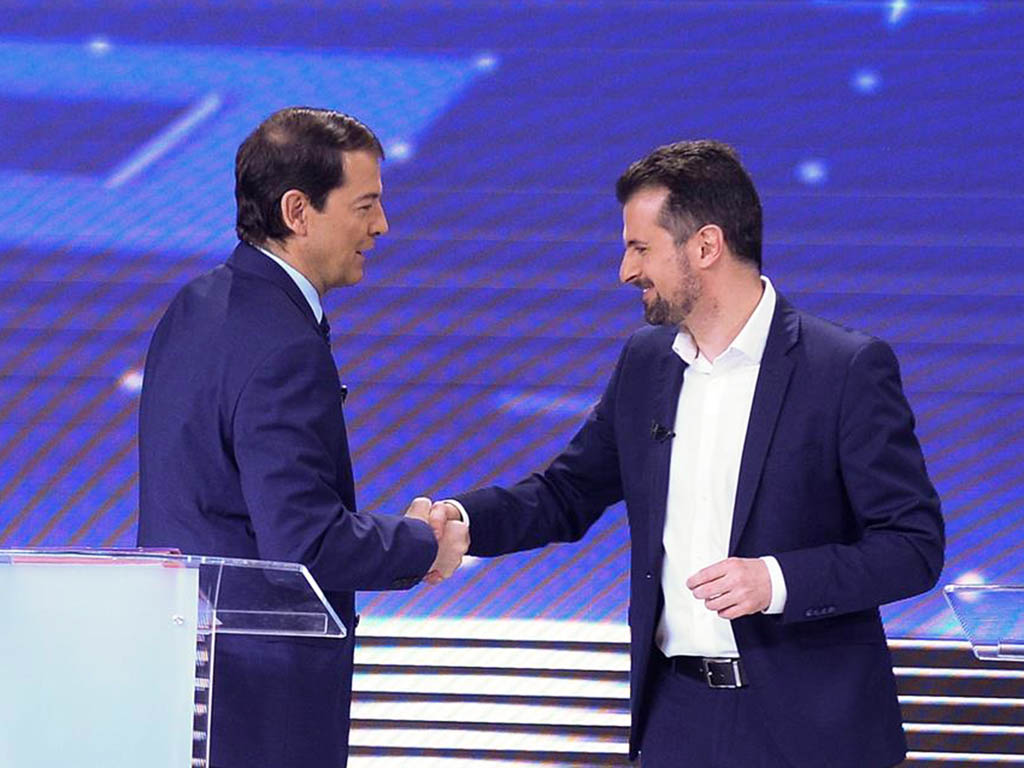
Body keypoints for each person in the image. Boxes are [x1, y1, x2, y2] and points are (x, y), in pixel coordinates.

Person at [430, 140, 944, 767]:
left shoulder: (844, 368)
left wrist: (777, 580)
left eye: (640, 248)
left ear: (705, 246)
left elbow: (912, 546)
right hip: (677, 719)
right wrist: (465, 522)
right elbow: (568, 492)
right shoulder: (646, 363)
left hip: (812, 730)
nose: (625, 271)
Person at [137, 107, 468, 768]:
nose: (381, 225)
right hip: (263, 706)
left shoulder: (196, 303)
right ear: (297, 211)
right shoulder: (284, 345)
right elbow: (305, 541)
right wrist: (422, 543)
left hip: (183, 685)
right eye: (365, 205)